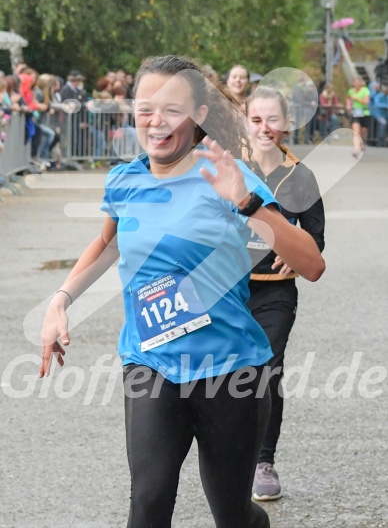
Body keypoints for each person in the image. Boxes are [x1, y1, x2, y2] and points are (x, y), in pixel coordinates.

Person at [39, 55, 325, 528]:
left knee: (233, 514)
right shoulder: (125, 180)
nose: (156, 121)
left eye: (172, 109)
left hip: (231, 371)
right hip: (151, 363)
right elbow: (107, 243)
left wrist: (248, 202)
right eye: (145, 107)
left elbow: (311, 264)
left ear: (199, 117)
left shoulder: (228, 176)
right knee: (148, 504)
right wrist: (61, 299)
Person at [244, 85, 325, 501]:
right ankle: (226, 456)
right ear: (245, 121)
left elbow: (316, 238)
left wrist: (297, 256)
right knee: (221, 374)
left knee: (266, 372)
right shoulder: (231, 167)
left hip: (276, 294)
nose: (264, 128)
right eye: (256, 120)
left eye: (271, 120)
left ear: (287, 123)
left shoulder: (301, 177)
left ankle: (263, 461)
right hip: (228, 291)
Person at [346, 77, 370, 158]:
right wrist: (348, 105)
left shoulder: (365, 90)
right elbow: (348, 98)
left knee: (363, 131)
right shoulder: (351, 91)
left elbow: (366, 102)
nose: (356, 84)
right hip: (355, 113)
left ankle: (362, 142)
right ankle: (356, 150)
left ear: (360, 83)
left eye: (357, 82)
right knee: (356, 132)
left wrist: (356, 98)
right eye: (355, 83)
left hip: (364, 112)